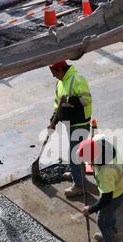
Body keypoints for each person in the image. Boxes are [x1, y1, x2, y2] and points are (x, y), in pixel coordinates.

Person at [78, 135, 123, 242]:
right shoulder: (101, 142)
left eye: (88, 161)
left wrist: (90, 209)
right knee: (109, 215)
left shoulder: (105, 172)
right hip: (120, 188)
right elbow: (96, 136)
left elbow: (106, 200)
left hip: (113, 196)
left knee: (102, 221)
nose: (87, 164)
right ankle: (113, 235)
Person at [48, 61, 93, 198]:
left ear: (62, 69)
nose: (54, 76)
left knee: (75, 154)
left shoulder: (77, 79)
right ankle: (77, 174)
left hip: (79, 122)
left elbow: (87, 99)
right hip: (70, 123)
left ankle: (79, 185)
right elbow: (57, 106)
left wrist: (69, 100)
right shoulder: (60, 83)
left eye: (55, 73)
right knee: (76, 152)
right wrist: (53, 121)